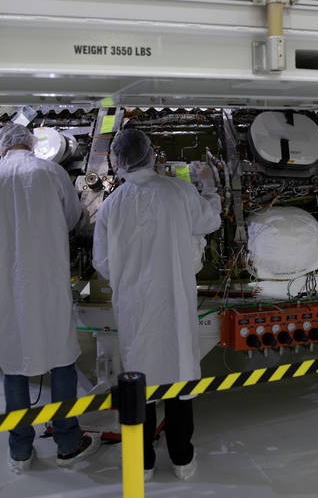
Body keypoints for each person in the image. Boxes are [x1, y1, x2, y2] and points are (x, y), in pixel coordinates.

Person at [92, 128, 221, 481]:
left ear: (118, 161)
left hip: (134, 306)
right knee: (178, 376)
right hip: (174, 300)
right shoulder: (178, 191)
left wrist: (129, 271)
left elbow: (101, 263)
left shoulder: (112, 205)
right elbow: (210, 220)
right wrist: (208, 184)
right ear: (151, 154)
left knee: (140, 382)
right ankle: (182, 459)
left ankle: (144, 464)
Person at [0, 122, 97, 473]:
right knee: (61, 357)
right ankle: (68, 443)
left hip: (7, 283)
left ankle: (20, 450)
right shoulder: (52, 172)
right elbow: (72, 217)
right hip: (48, 280)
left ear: (2, 146)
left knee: (12, 362)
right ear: (30, 142)